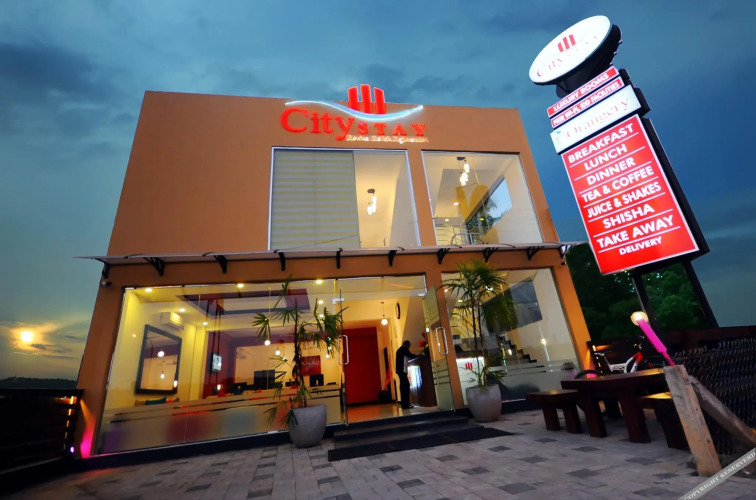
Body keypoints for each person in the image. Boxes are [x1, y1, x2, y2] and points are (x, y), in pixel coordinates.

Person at [395, 340, 422, 409]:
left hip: (400, 371)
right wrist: (418, 356)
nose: (409, 348)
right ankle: (406, 404)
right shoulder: (403, 349)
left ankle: (405, 404)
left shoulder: (399, 350)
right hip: (402, 371)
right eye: (408, 346)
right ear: (406, 345)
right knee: (405, 387)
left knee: (403, 386)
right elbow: (410, 355)